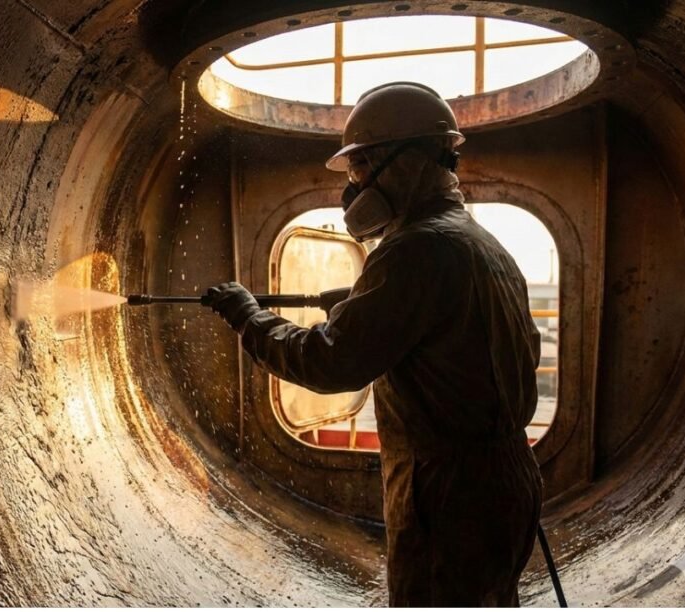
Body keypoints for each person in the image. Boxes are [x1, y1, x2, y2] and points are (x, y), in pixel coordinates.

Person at [206, 82, 544, 606]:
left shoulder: (414, 250)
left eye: (361, 168)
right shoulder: (476, 240)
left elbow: (331, 363)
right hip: (505, 478)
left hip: (447, 494)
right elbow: (459, 336)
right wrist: (366, 305)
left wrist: (249, 318)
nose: (354, 187)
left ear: (402, 162)